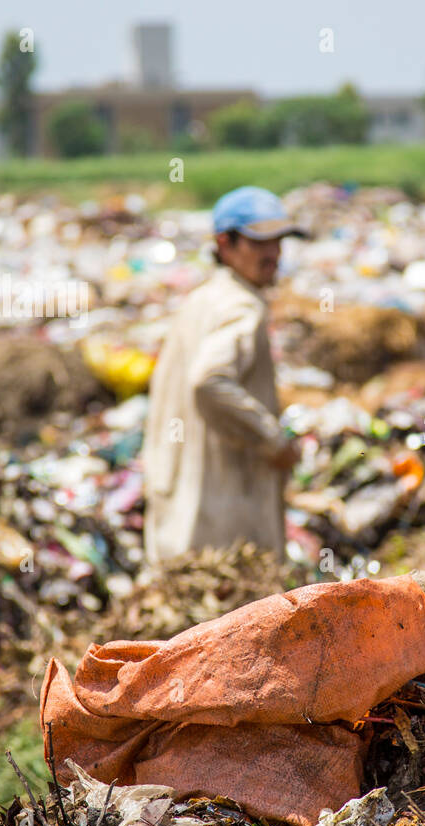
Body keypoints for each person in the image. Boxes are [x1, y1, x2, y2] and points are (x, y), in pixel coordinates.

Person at [142, 186, 306, 565]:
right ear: (225, 243)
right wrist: (273, 440)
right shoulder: (241, 306)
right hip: (225, 518)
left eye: (278, 242)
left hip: (185, 509)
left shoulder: (203, 298)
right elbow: (209, 379)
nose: (274, 254)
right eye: (259, 242)